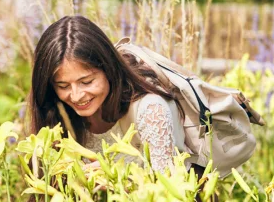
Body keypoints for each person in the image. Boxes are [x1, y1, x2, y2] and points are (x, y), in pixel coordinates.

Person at [30, 15, 187, 173]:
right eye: (63, 85)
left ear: (109, 69)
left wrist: (117, 178)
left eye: (87, 82)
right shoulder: (56, 112)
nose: (76, 96)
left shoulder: (150, 109)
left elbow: (167, 186)